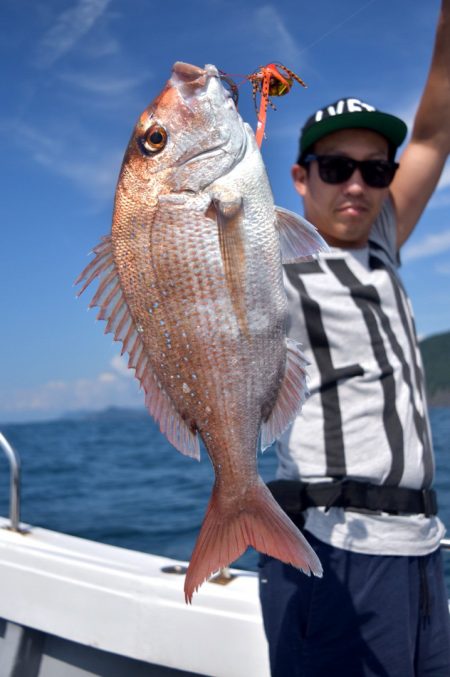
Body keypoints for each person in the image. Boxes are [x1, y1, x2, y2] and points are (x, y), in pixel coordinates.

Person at [259, 2, 450, 676]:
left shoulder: (384, 239)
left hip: (423, 551)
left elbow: (432, 133)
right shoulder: (269, 260)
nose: (358, 184)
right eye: (337, 167)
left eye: (376, 170)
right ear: (300, 177)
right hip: (333, 551)